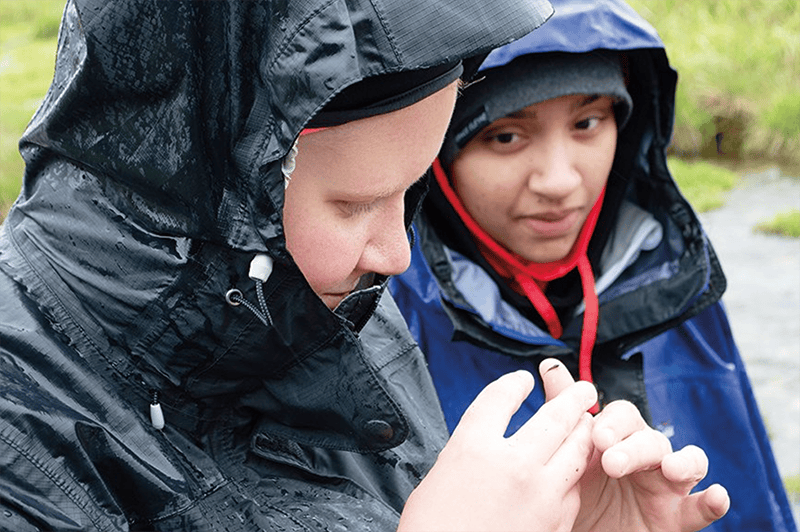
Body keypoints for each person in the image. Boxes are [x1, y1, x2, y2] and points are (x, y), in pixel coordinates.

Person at [0, 0, 730, 531]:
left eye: (410, 192)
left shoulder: (330, 310)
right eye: (353, 204)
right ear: (188, 189)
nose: (397, 255)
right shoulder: (20, 439)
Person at [389, 1, 797, 531]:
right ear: (434, 155)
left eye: (587, 122)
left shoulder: (674, 285)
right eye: (504, 136)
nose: (558, 181)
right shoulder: (381, 328)